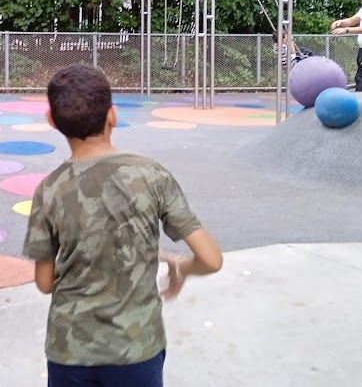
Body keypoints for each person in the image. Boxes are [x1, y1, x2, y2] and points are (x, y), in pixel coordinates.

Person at [23, 64, 223, 387]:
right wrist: (182, 268)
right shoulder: (152, 175)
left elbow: (45, 283)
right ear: (112, 116)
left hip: (69, 349)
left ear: (51, 121)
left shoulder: (48, 190)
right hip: (137, 348)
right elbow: (211, 259)